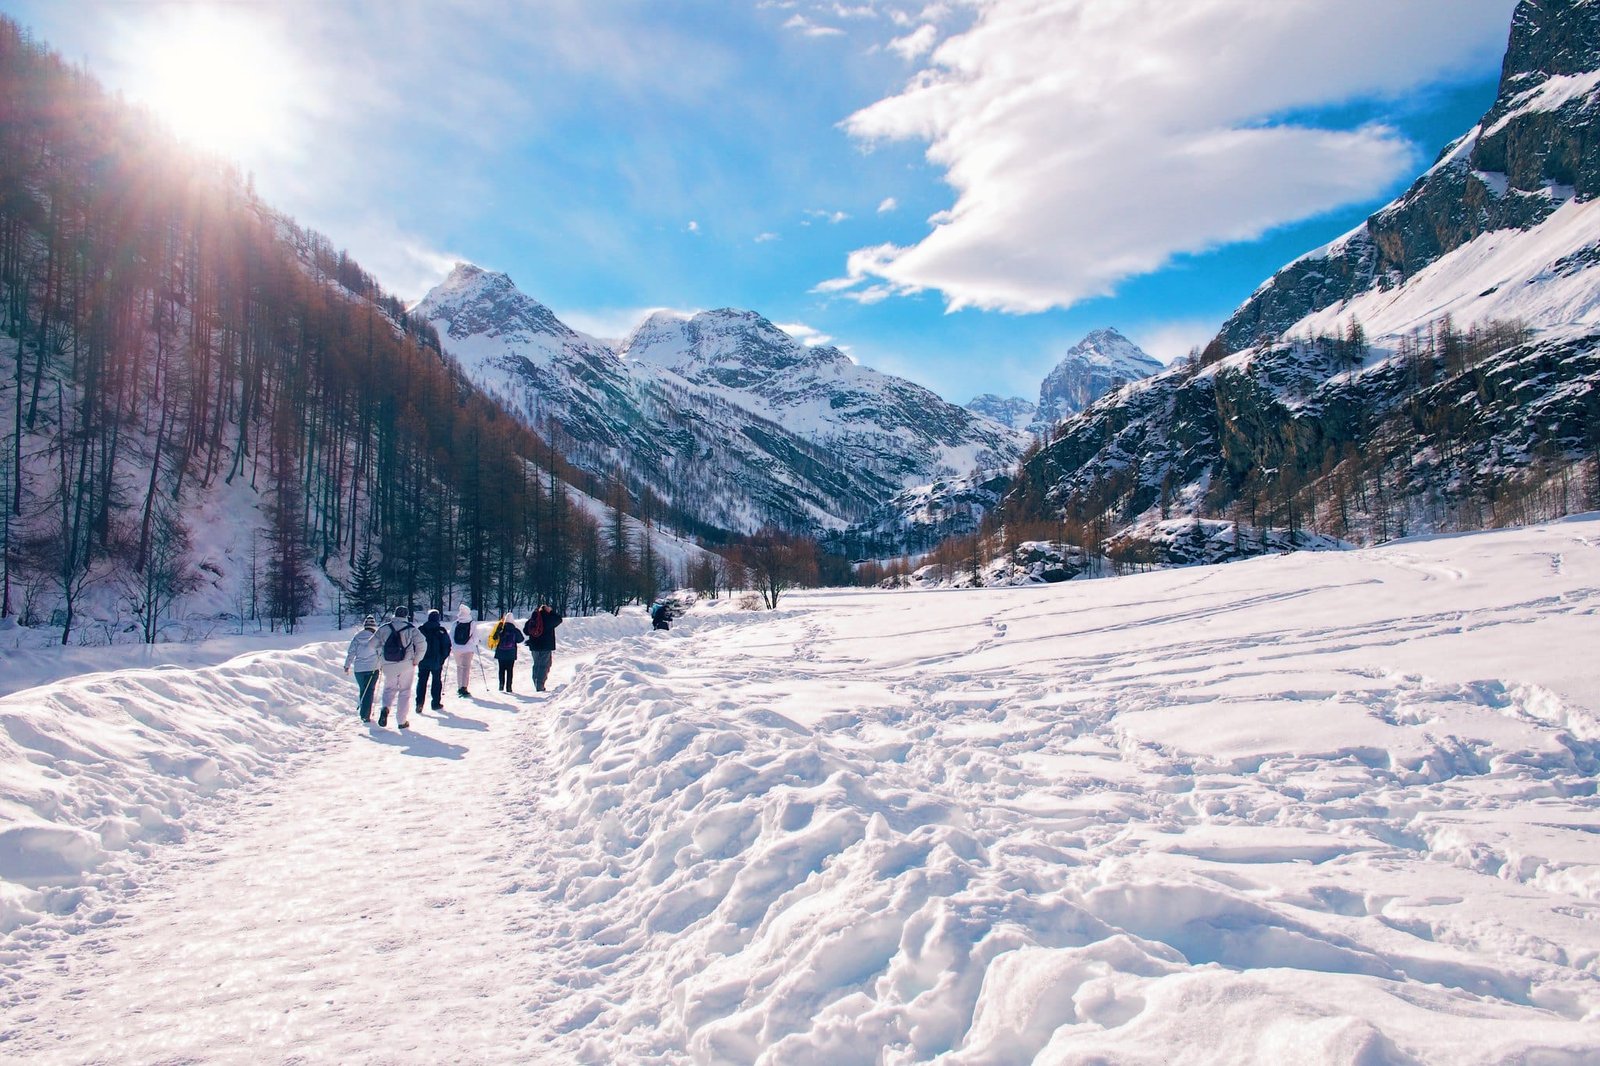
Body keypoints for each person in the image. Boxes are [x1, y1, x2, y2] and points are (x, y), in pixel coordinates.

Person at [372, 606, 424, 728]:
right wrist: (416, 660)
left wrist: (381, 656)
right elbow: (422, 644)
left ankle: (385, 708)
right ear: (406, 616)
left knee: (389, 688)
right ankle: (401, 721)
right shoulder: (411, 629)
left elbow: (371, 644)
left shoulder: (384, 628)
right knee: (404, 691)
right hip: (407, 664)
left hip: (388, 664)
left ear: (394, 615)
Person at [342, 614, 381, 723]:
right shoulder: (376, 638)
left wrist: (347, 665)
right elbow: (380, 653)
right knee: (370, 690)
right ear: (374, 626)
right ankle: (365, 714)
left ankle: (363, 712)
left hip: (359, 669)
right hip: (373, 668)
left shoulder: (357, 637)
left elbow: (351, 653)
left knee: (363, 689)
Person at [415, 608, 451, 714]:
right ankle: (435, 703)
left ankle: (419, 703)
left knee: (421, 681)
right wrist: (442, 658)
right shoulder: (441, 630)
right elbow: (447, 646)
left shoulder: (421, 629)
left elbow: (414, 644)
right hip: (436, 661)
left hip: (422, 660)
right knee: (436, 681)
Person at [524, 603, 563, 692]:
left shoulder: (533, 619)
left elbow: (526, 631)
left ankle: (536, 682)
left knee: (536, 664)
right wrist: (551, 611)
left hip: (534, 646)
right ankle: (540, 686)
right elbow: (559, 619)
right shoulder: (548, 618)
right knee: (544, 665)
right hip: (545, 646)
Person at [489, 611, 523, 692]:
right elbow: (521, 639)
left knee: (501, 669)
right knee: (510, 670)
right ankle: (509, 687)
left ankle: (501, 685)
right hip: (511, 653)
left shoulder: (501, 628)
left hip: (501, 652)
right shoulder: (515, 630)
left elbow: (494, 637)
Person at [450, 604, 477, 697]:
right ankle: (464, 687)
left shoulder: (455, 623)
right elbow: (475, 637)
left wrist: (453, 646)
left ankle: (459, 686)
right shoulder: (472, 623)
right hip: (468, 649)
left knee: (459, 667)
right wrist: (474, 643)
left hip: (456, 649)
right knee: (466, 668)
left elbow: (451, 637)